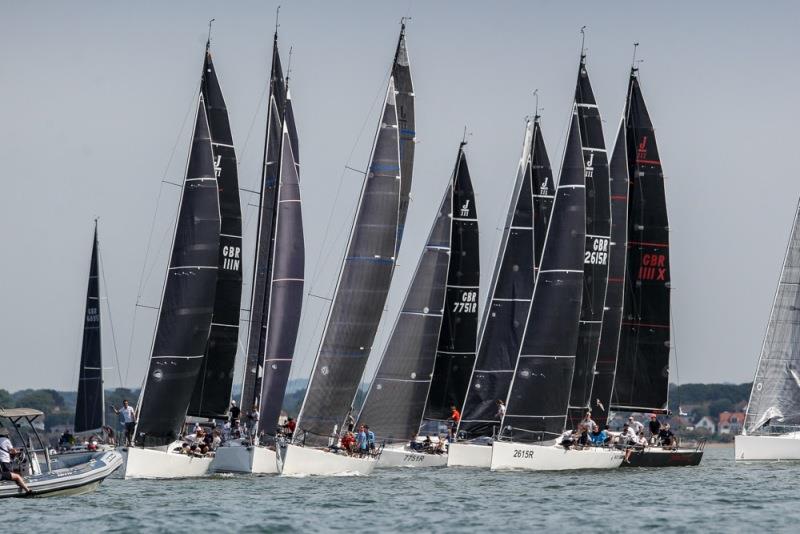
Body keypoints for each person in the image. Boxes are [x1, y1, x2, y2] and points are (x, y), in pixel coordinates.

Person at [0, 428, 31, 494]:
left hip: (1, 462)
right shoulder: (6, 440)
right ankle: (24, 488)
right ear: (6, 434)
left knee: (10, 474)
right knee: (14, 475)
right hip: (5, 461)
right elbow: (12, 450)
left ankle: (20, 485)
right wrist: (18, 451)